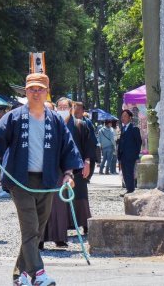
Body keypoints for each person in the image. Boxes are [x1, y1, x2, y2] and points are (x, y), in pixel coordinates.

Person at [0, 73, 83, 286]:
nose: (36, 93)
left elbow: (68, 148)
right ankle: (39, 274)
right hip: (20, 180)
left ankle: (20, 275)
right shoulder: (14, 117)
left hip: (47, 181)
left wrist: (68, 174)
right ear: (25, 92)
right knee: (30, 227)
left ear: (47, 92)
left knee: (37, 230)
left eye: (40, 89)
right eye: (31, 89)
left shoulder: (55, 119)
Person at [43, 97, 93, 249]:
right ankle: (40, 238)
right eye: (60, 107)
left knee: (73, 199)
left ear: (71, 109)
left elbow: (89, 145)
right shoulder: (49, 124)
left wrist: (87, 161)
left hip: (72, 168)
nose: (62, 110)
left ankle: (79, 226)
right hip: (49, 168)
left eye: (66, 107)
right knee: (46, 204)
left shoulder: (80, 125)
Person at [117, 109, 142, 196]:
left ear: (130, 118)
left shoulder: (134, 129)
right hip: (123, 155)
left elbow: (138, 142)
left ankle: (131, 190)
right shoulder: (123, 128)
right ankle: (128, 189)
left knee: (129, 172)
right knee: (124, 172)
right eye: (122, 116)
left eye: (125, 116)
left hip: (130, 155)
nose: (123, 118)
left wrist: (135, 155)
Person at [73, 102, 97, 180]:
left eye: (79, 109)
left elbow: (92, 139)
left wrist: (91, 155)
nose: (77, 110)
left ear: (83, 111)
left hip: (86, 152)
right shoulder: (71, 121)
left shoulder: (87, 122)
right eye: (75, 108)